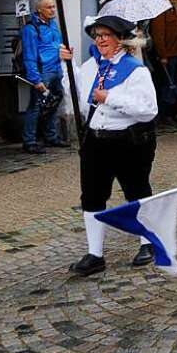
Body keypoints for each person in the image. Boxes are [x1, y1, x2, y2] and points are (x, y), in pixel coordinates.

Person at [60, 15, 158, 276]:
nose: (100, 39)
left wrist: (110, 97)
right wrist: (66, 68)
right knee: (91, 197)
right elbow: (78, 103)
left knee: (136, 192)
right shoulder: (91, 67)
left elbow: (148, 110)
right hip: (95, 141)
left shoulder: (136, 71)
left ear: (119, 39)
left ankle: (147, 242)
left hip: (128, 141)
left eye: (105, 35)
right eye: (97, 35)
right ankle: (95, 255)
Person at [21, 0, 68, 153]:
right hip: (43, 72)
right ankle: (29, 141)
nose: (53, 10)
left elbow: (57, 45)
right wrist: (36, 78)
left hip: (56, 69)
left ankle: (51, 137)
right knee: (36, 106)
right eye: (49, 7)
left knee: (53, 102)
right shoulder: (31, 28)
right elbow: (29, 55)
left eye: (54, 6)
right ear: (39, 10)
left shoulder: (53, 24)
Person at [149, 0, 177, 124]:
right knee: (168, 85)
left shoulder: (171, 9)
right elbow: (158, 35)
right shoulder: (160, 12)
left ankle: (174, 112)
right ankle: (167, 114)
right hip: (169, 54)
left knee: (174, 84)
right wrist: (163, 55)